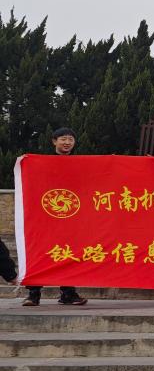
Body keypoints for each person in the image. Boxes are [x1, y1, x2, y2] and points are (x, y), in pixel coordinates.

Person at [22, 127, 88, 307]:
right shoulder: (41, 162)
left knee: (68, 254)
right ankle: (33, 294)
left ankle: (68, 293)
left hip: (71, 216)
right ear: (54, 141)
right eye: (63, 139)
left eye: (70, 139)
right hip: (45, 216)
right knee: (40, 252)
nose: (67, 142)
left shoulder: (81, 163)